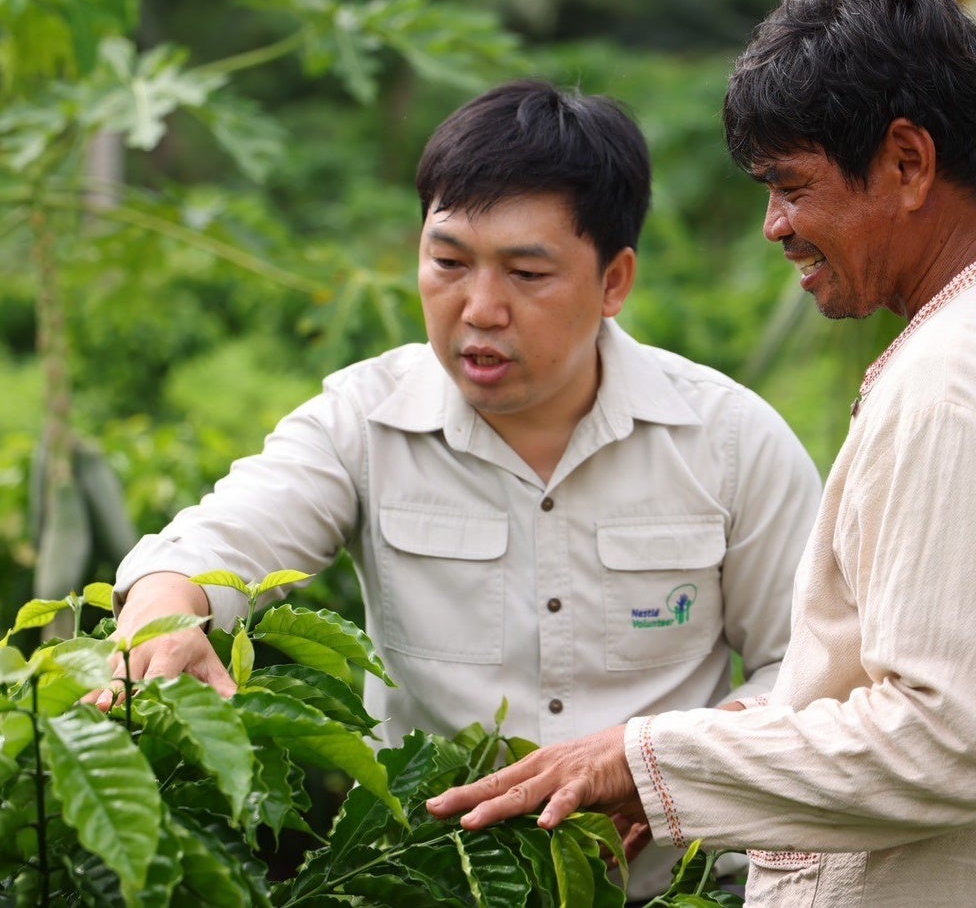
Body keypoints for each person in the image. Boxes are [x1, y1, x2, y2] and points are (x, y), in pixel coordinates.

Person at [106, 78, 821, 900]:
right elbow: (221, 538)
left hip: (677, 889)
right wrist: (166, 608)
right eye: (448, 262)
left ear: (614, 281)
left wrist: (661, 766)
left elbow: (810, 667)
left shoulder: (728, 440)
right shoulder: (362, 422)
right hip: (430, 884)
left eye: (527, 272)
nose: (479, 309)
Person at [427, 0, 976, 906]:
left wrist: (646, 758)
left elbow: (954, 742)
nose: (774, 227)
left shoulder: (954, 378)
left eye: (791, 187)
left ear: (907, 162)